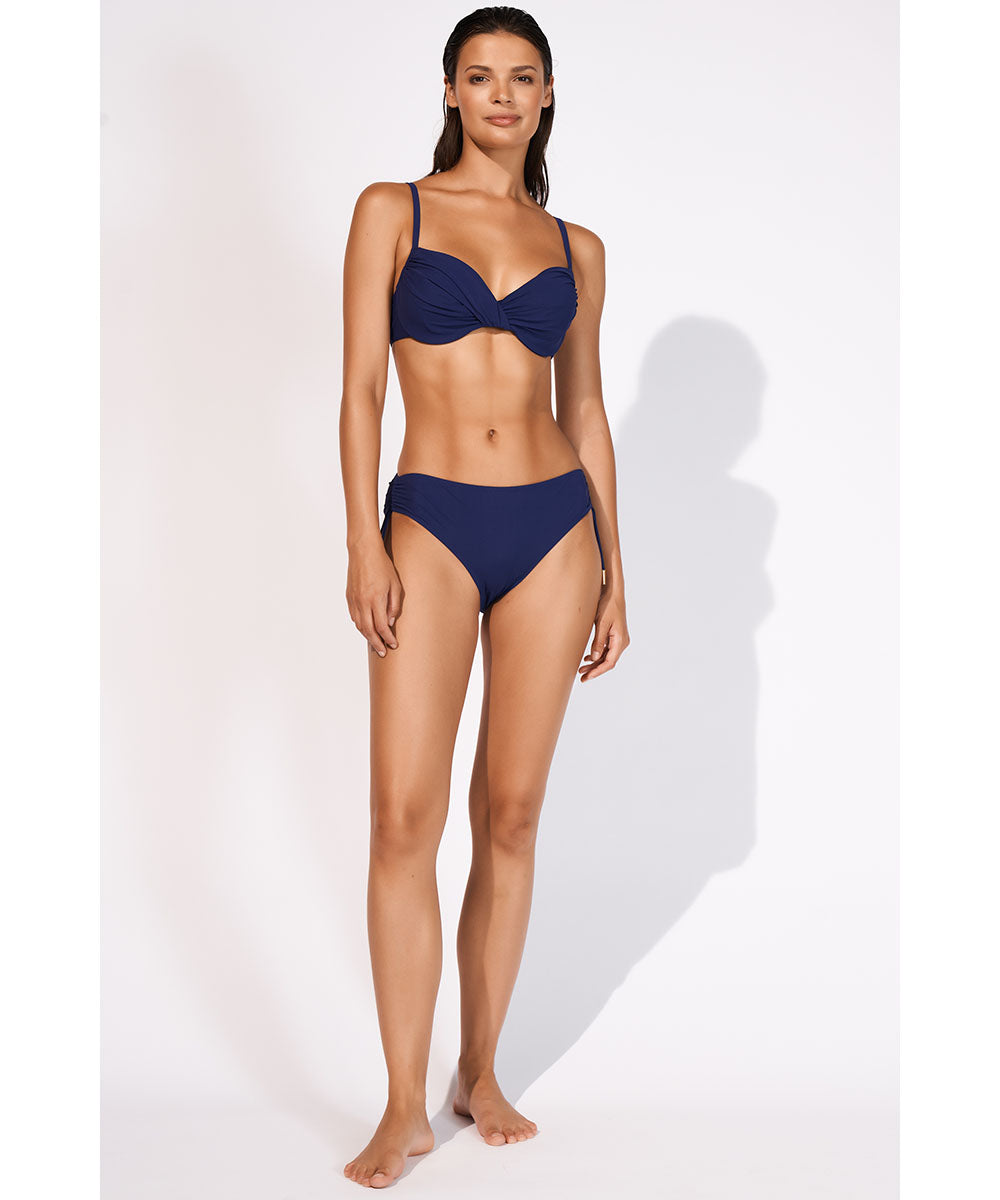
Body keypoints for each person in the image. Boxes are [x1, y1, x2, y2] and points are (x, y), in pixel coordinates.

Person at [340, 6, 629, 1188]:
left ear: (546, 96)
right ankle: (401, 1104)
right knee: (402, 818)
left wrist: (616, 567)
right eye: (480, 75)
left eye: (522, 76)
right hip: (432, 521)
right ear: (451, 92)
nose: (502, 94)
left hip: (554, 527)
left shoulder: (577, 246)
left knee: (510, 815)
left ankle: (480, 1072)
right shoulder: (392, 211)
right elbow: (361, 389)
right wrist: (362, 542)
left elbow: (586, 409)